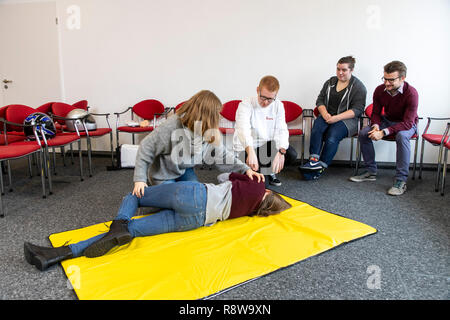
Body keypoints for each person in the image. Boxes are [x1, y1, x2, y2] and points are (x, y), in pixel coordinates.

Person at [24, 172, 292, 271]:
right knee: (134, 230)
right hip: (198, 220)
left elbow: (225, 176)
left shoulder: (260, 185)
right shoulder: (252, 210)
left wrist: (248, 174)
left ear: (270, 193)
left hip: (194, 194)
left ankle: (117, 225)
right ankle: (54, 255)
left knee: (135, 195)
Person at [131, 90, 264, 198]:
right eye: (216, 114)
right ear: (207, 115)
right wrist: (140, 180)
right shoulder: (172, 125)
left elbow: (222, 155)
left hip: (183, 170)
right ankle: (150, 193)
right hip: (163, 173)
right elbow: (146, 147)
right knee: (178, 201)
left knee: (197, 195)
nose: (218, 118)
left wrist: (246, 170)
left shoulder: (209, 129)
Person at [349, 60, 419, 196]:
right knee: (364, 133)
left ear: (402, 78)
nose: (387, 83)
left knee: (402, 136)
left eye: (391, 80)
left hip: (407, 124)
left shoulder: (412, 93)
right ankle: (371, 171)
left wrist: (384, 132)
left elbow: (408, 123)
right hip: (388, 120)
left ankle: (401, 180)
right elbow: (375, 113)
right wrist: (375, 126)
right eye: (385, 79)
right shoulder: (380, 90)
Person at [299, 56, 367, 180]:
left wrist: (336, 118)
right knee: (316, 129)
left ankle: (321, 166)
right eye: (338, 69)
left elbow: (358, 110)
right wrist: (324, 114)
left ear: (351, 70)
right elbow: (320, 100)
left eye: (344, 70)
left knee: (332, 136)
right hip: (327, 115)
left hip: (347, 120)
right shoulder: (330, 82)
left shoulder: (358, 86)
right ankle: (313, 161)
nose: (340, 73)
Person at [233, 75, 297, 187]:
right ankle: (253, 172)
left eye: (270, 99)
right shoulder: (245, 104)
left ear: (275, 95)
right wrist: (250, 151)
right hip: (246, 150)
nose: (266, 102)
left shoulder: (278, 105)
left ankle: (267, 171)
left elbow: (281, 130)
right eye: (263, 97)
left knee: (291, 154)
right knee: (262, 186)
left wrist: (281, 152)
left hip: (265, 148)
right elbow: (243, 129)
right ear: (258, 90)